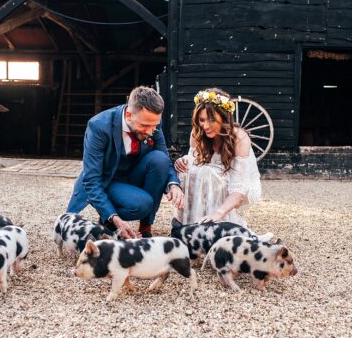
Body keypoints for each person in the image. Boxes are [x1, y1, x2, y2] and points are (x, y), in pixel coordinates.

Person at [66, 86, 184, 239]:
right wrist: (114, 217)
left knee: (159, 160)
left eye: (154, 126)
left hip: (132, 174)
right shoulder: (98, 126)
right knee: (143, 204)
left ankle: (146, 226)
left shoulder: (151, 122)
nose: (150, 131)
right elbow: (92, 179)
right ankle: (108, 221)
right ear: (128, 115)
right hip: (106, 180)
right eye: (144, 126)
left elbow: (164, 157)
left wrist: (173, 184)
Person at [174, 88, 262, 227]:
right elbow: (193, 160)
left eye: (212, 120)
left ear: (224, 117)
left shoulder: (239, 138)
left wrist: (218, 214)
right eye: (202, 120)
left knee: (208, 173)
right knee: (191, 171)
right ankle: (188, 222)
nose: (206, 126)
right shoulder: (198, 132)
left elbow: (238, 188)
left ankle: (213, 223)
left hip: (226, 190)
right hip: (203, 186)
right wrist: (183, 162)